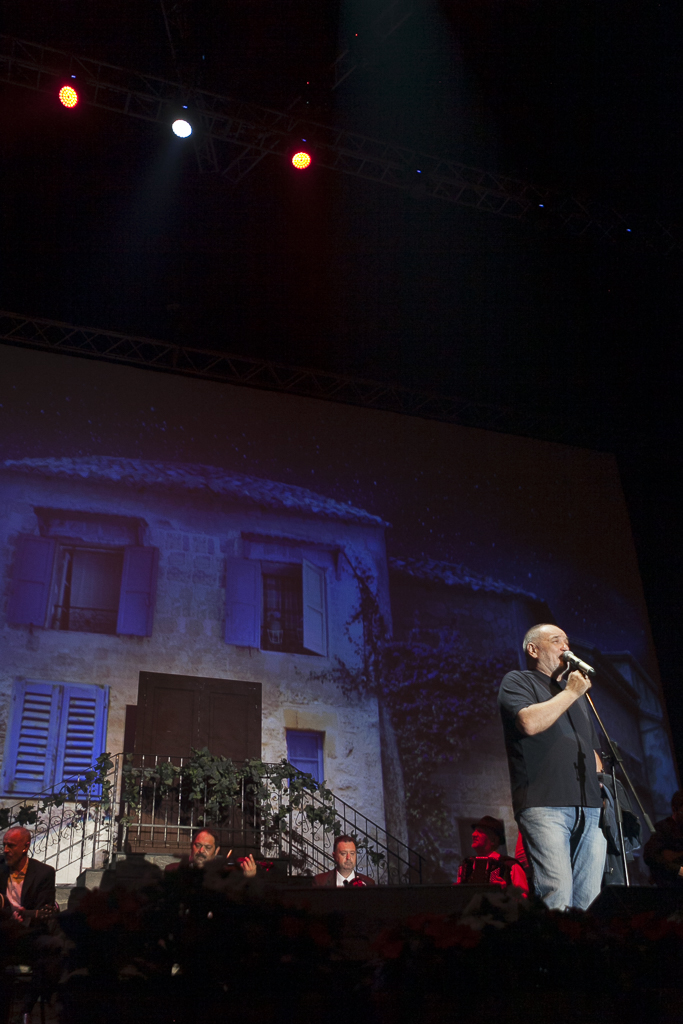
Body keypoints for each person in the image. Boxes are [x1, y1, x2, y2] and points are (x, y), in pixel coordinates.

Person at [498, 623, 606, 910]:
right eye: (556, 640)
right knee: (556, 893)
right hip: (545, 806)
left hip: (590, 809)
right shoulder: (518, 681)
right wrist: (571, 693)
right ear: (533, 649)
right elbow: (529, 723)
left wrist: (603, 790)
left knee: (591, 900)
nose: (565, 647)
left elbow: (591, 749)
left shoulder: (576, 696)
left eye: (567, 641)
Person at [455, 815, 529, 895]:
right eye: (475, 831)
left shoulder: (511, 865)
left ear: (493, 840)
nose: (474, 834)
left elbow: (523, 898)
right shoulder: (467, 865)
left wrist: (505, 891)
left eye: (480, 831)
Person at [0, 827, 56, 922]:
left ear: (25, 847)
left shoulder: (44, 873)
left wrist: (24, 918)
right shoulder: (1, 865)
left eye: (11, 846)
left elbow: (43, 909)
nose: (5, 850)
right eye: (4, 845)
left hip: (29, 930)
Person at [165, 827, 257, 877]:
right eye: (198, 845)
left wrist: (249, 878)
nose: (201, 851)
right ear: (191, 846)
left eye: (208, 847)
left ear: (216, 851)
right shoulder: (173, 870)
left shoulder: (224, 876)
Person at [643, 790, 683, 887]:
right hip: (672, 888)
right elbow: (650, 856)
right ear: (675, 810)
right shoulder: (663, 827)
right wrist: (678, 870)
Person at [312, 835, 377, 887]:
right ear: (334, 856)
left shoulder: (369, 883)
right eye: (343, 853)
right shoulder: (320, 882)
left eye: (352, 853)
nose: (348, 858)